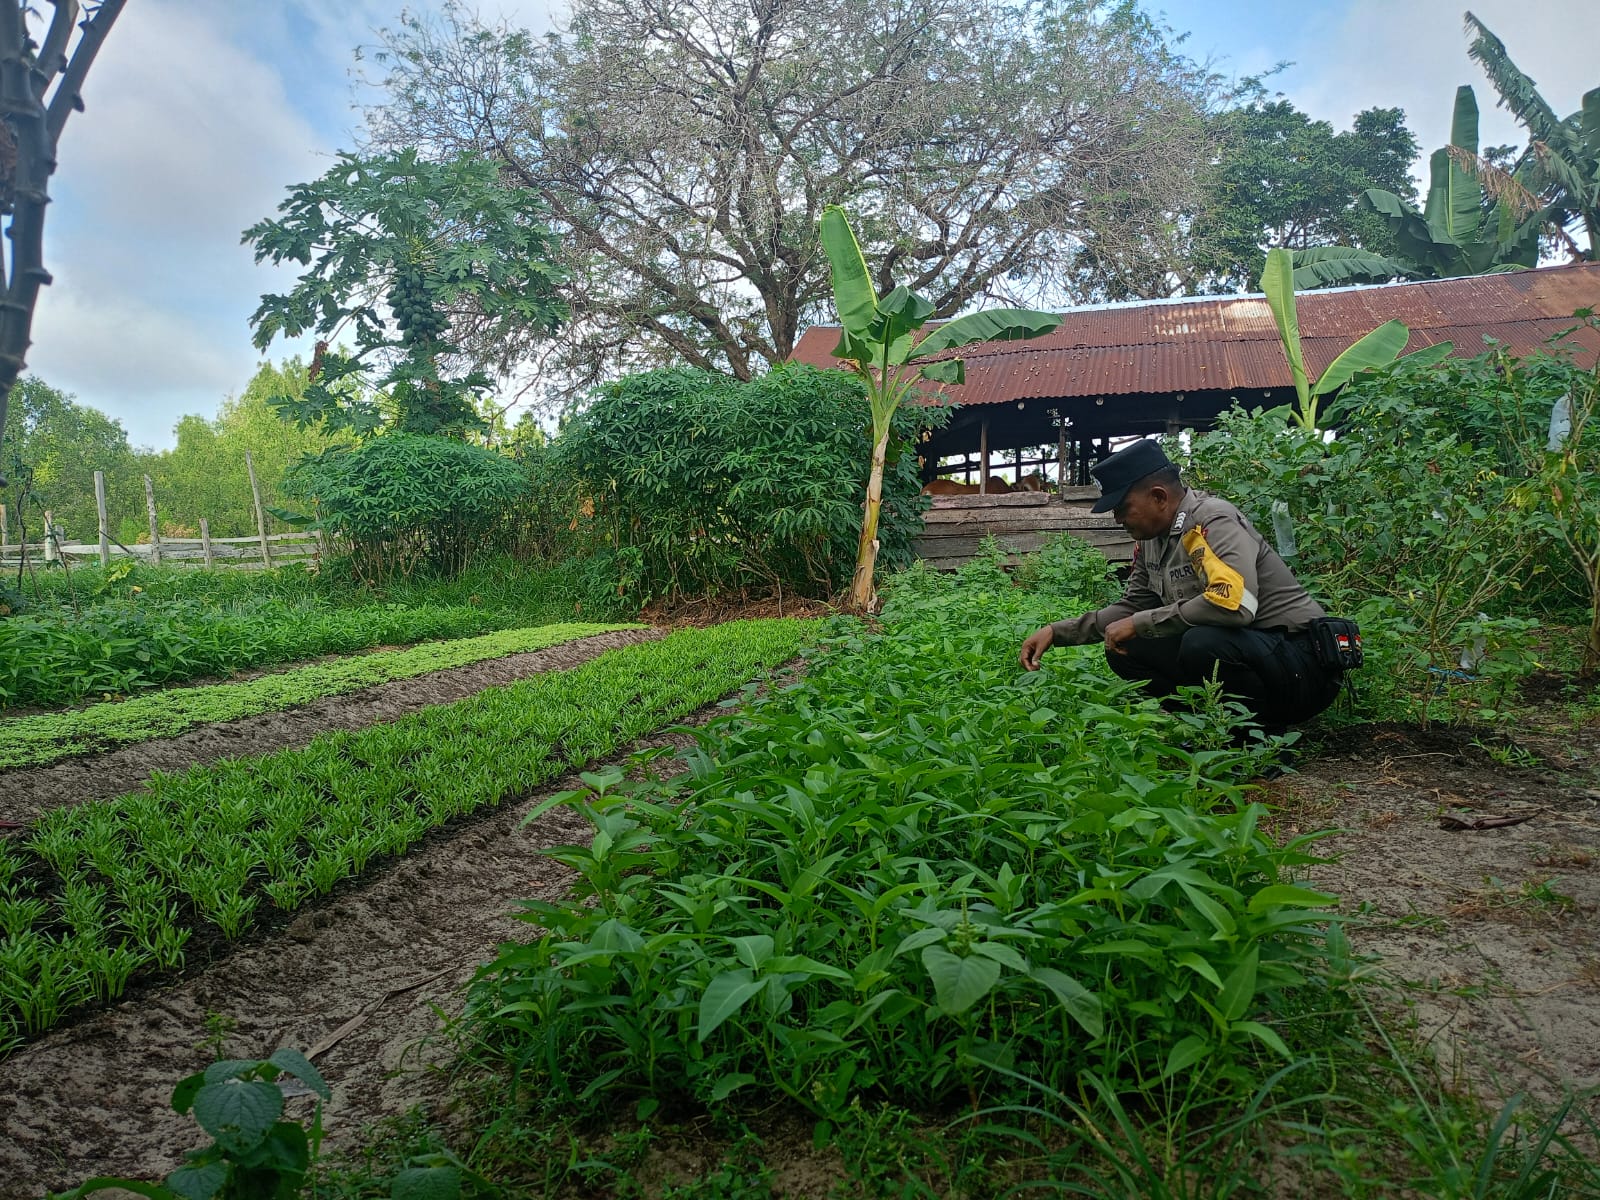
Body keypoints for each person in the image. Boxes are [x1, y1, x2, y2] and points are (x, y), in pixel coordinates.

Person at [1018, 438, 1342, 731]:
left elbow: (1236, 604)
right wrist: (1057, 631)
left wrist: (1140, 622)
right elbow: (1133, 607)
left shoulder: (1211, 519)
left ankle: (1260, 736)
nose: (1117, 519)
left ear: (1158, 497)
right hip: (1259, 658)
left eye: (1122, 508)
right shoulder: (1151, 540)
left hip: (1303, 668)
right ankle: (1214, 728)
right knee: (1125, 645)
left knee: (1201, 641)